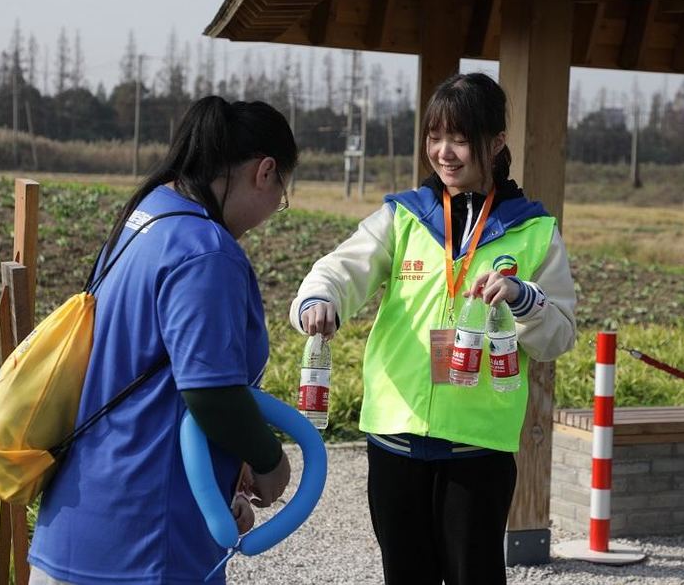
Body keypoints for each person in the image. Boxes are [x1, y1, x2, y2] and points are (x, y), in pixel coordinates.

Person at [290, 73, 576, 584]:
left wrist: (523, 298)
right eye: (434, 137)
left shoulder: (534, 230)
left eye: (460, 140)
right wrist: (319, 299)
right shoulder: (404, 216)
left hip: (477, 447)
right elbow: (341, 269)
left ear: (496, 143)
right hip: (395, 436)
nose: (444, 153)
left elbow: (558, 335)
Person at [29, 96, 297, 585]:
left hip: (76, 520)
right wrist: (269, 462)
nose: (270, 213)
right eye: (280, 197)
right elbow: (211, 394)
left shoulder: (146, 216)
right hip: (145, 542)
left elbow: (160, 385)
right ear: (265, 171)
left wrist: (225, 472)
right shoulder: (206, 251)